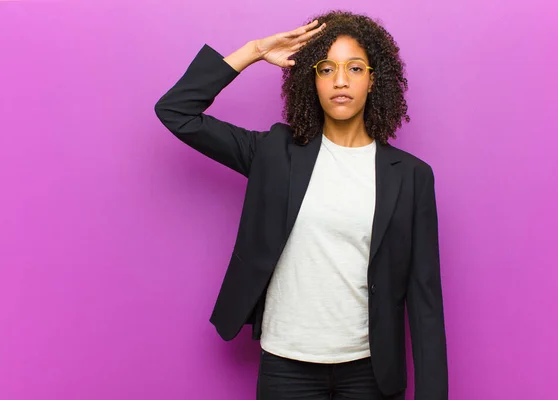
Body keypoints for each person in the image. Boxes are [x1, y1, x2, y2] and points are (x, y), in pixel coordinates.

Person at [154, 10, 448, 400]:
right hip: (286, 365)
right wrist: (254, 51)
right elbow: (177, 112)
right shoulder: (275, 153)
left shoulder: (410, 176)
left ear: (374, 79)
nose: (340, 80)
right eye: (326, 69)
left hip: (370, 370)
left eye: (355, 68)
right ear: (312, 79)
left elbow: (425, 300)